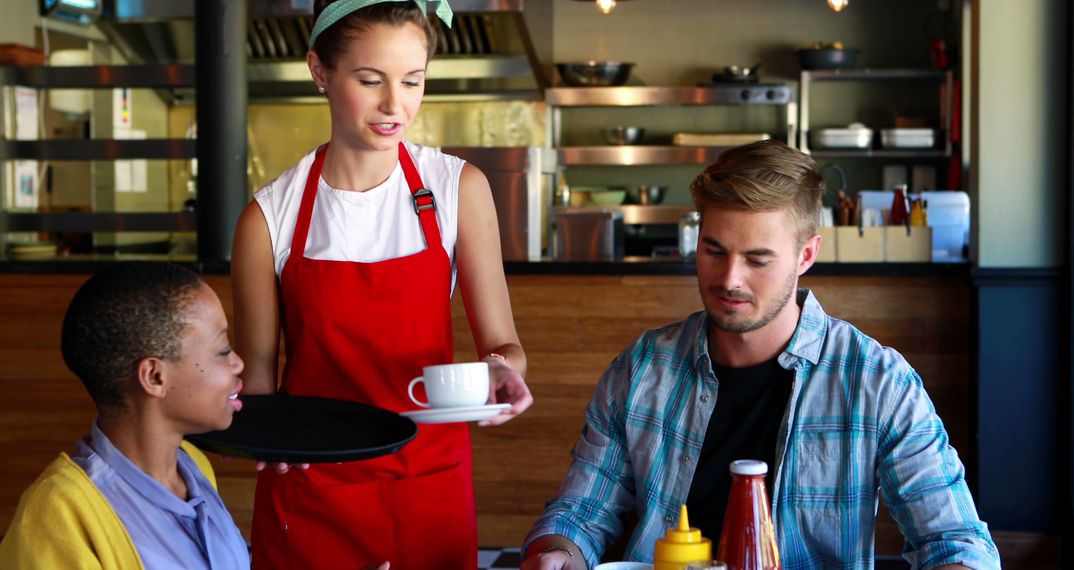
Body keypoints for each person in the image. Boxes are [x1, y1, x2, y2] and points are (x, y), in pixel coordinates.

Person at [521, 140, 1000, 570]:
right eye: (714, 251)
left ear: (806, 255)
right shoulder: (642, 367)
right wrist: (559, 552)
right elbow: (581, 512)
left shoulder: (877, 382)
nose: (730, 278)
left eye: (757, 259)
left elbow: (956, 541)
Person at [230, 0, 533, 568]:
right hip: (316, 491)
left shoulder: (456, 189)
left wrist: (503, 374)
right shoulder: (268, 218)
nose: (396, 105)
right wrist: (259, 433)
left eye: (413, 81)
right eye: (370, 81)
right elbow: (260, 389)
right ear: (320, 71)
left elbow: (505, 348)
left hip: (430, 483)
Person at [0, 262, 250, 569]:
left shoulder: (193, 465)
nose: (237, 363)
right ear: (155, 377)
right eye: (223, 350)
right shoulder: (56, 516)